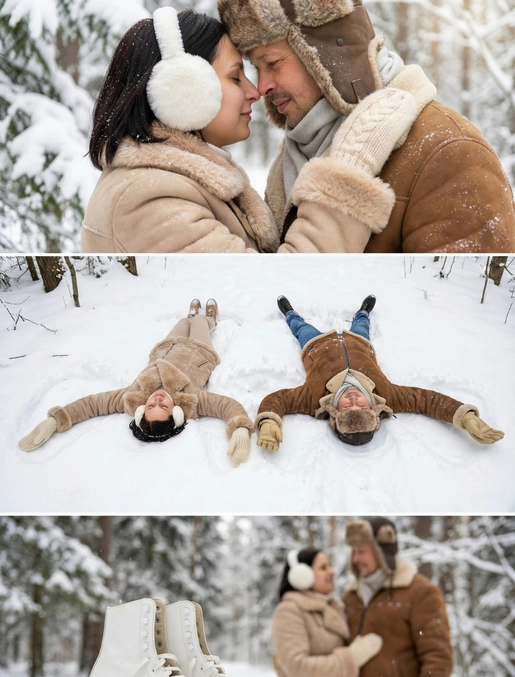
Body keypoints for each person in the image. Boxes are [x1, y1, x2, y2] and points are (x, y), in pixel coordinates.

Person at [81, 5, 420, 253]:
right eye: (235, 76)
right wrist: (349, 165)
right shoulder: (149, 198)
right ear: (183, 92)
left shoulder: (170, 183)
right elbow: (272, 291)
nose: (255, 91)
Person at [218, 0, 515, 253]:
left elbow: (466, 311)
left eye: (273, 63)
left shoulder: (449, 151)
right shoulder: (292, 161)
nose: (263, 86)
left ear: (323, 54)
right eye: (257, 68)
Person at [18, 299, 253, 466]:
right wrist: (240, 428)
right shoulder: (193, 400)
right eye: (163, 408)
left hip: (167, 346)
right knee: (200, 323)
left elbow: (92, 405)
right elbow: (227, 407)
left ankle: (190, 316)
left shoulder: (132, 395)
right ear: (176, 413)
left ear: (142, 409)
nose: (158, 401)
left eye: (151, 407)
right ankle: (207, 318)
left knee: (183, 323)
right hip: (199, 350)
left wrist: (56, 420)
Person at [255, 294, 505, 448]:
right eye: (361, 407)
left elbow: (277, 400)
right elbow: (429, 401)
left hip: (317, 345)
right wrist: (465, 417)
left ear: (334, 411)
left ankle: (290, 312)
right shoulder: (388, 395)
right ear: (373, 409)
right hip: (359, 343)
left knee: (300, 327)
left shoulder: (313, 398)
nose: (353, 400)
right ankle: (363, 311)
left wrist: (268, 420)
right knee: (362, 324)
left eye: (347, 407)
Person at [342, 516, 453, 677]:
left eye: (362, 551)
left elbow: (437, 657)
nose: (355, 558)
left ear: (383, 551)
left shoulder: (420, 592)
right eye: (353, 552)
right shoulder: (350, 597)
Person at [270, 546, 382, 677]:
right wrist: (351, 659)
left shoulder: (334, 608)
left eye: (330, 565)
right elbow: (297, 667)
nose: (332, 572)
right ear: (301, 575)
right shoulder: (289, 610)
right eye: (323, 567)